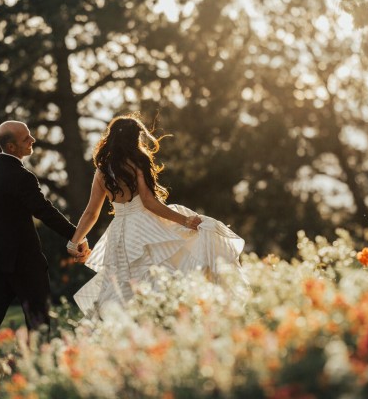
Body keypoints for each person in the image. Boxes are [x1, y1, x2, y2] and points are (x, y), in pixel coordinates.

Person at [68, 113, 247, 318]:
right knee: (156, 276)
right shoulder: (136, 163)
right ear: (134, 138)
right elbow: (149, 202)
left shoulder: (102, 171)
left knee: (122, 283)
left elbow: (91, 212)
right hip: (145, 227)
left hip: (119, 232)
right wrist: (185, 220)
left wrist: (74, 243)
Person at [0, 120, 90, 346]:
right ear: (11, 147)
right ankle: (39, 360)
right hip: (24, 261)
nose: (32, 140)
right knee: (38, 316)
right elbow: (45, 212)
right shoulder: (22, 176)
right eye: (26, 138)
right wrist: (77, 236)